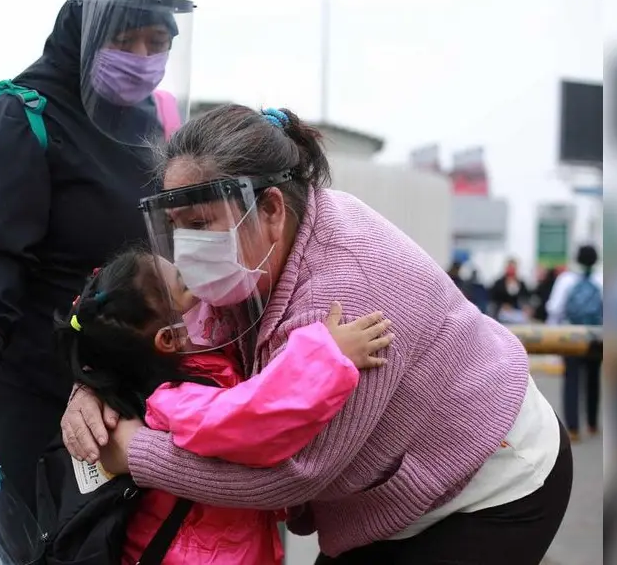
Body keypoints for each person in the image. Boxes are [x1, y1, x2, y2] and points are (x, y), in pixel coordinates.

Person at [64, 105, 572, 564]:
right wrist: (94, 385)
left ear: (270, 209)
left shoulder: (347, 299)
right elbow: (166, 339)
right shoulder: (245, 258)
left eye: (201, 222)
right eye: (176, 225)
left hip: (491, 481)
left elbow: (293, 473)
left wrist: (134, 452)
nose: (187, 247)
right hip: (381, 497)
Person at [0, 0, 195, 512]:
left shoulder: (159, 121)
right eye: (124, 41)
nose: (143, 57)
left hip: (133, 394)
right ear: (80, 29)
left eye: (158, 42)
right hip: (35, 397)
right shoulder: (19, 118)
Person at [56, 251, 390, 564]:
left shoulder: (183, 368)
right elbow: (253, 418)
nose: (200, 285)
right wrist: (327, 357)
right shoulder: (174, 402)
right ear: (168, 339)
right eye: (185, 287)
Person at [545, 244, 604, 442]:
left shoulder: (566, 280)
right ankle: (592, 423)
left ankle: (573, 428)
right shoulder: (602, 279)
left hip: (571, 337)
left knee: (571, 380)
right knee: (593, 379)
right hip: (597, 337)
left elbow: (554, 309)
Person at [490, 257, 532, 323]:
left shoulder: (521, 283)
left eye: (513, 268)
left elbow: (526, 297)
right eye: (510, 267)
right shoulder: (499, 283)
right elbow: (493, 298)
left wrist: (526, 307)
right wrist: (502, 305)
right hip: (502, 313)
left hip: (518, 312)